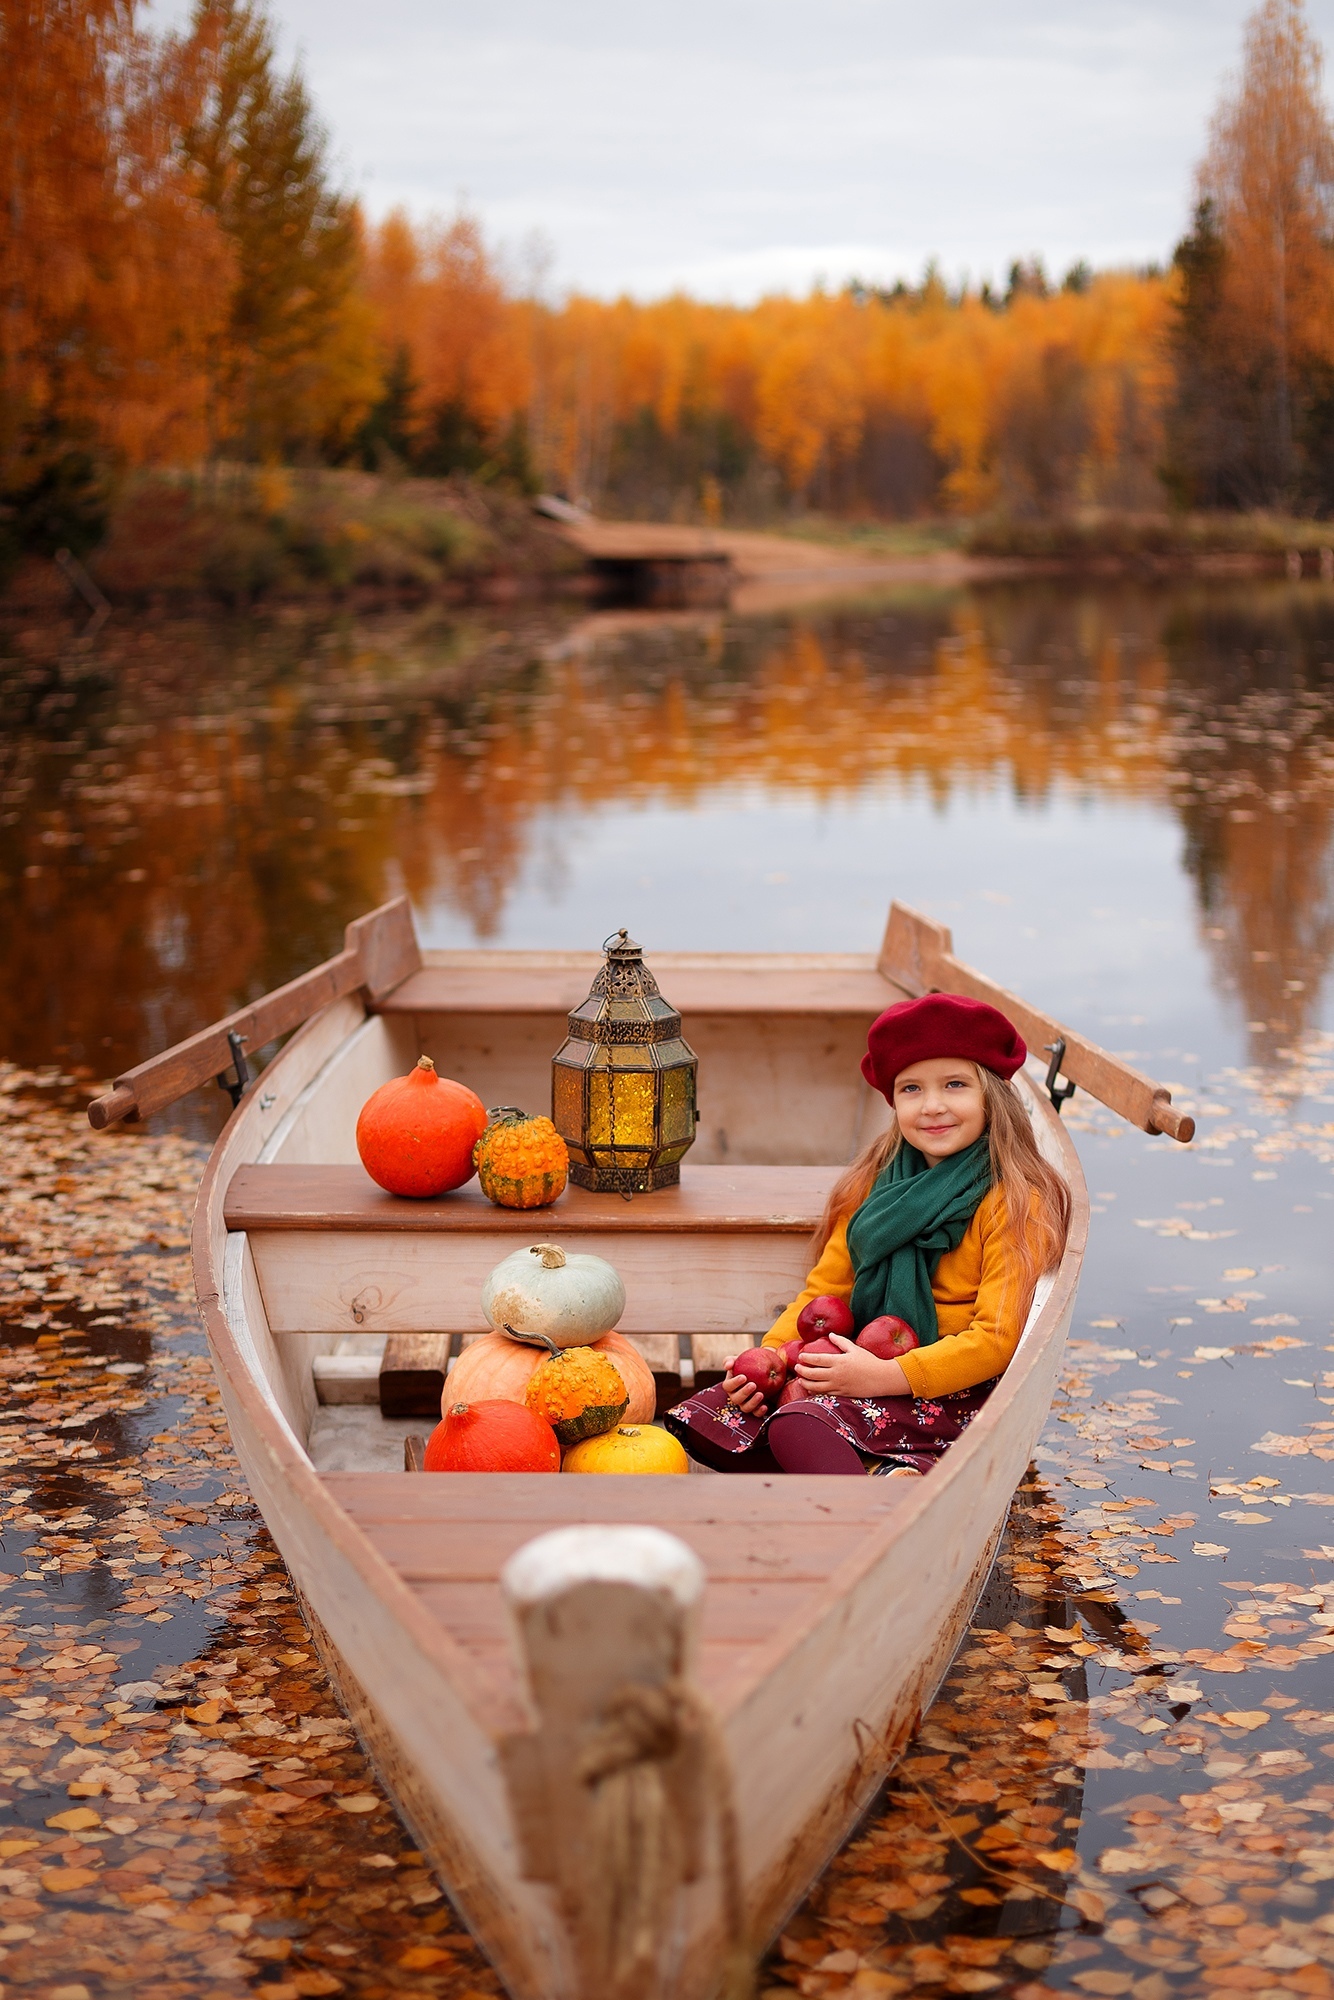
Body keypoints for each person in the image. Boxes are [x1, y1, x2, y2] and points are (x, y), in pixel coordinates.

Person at [664, 992, 1071, 1477]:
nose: (933, 1106)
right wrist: (770, 1355)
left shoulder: (1014, 1198)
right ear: (892, 1100)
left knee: (800, 1424)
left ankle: (872, 1503)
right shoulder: (874, 1186)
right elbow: (824, 1294)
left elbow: (996, 1339)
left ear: (992, 1095)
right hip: (865, 1355)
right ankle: (875, 1466)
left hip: (953, 1383)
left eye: (955, 1084)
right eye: (911, 1089)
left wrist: (884, 1376)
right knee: (709, 1419)